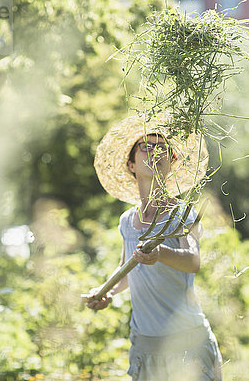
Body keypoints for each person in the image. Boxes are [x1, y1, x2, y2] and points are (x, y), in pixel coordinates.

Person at [86, 114, 223, 381]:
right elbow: (128, 269)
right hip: (145, 343)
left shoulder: (183, 215)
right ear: (131, 164)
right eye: (145, 147)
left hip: (186, 340)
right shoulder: (127, 221)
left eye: (163, 148)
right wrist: (106, 292)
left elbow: (193, 261)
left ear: (172, 162)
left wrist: (160, 253)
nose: (155, 152)